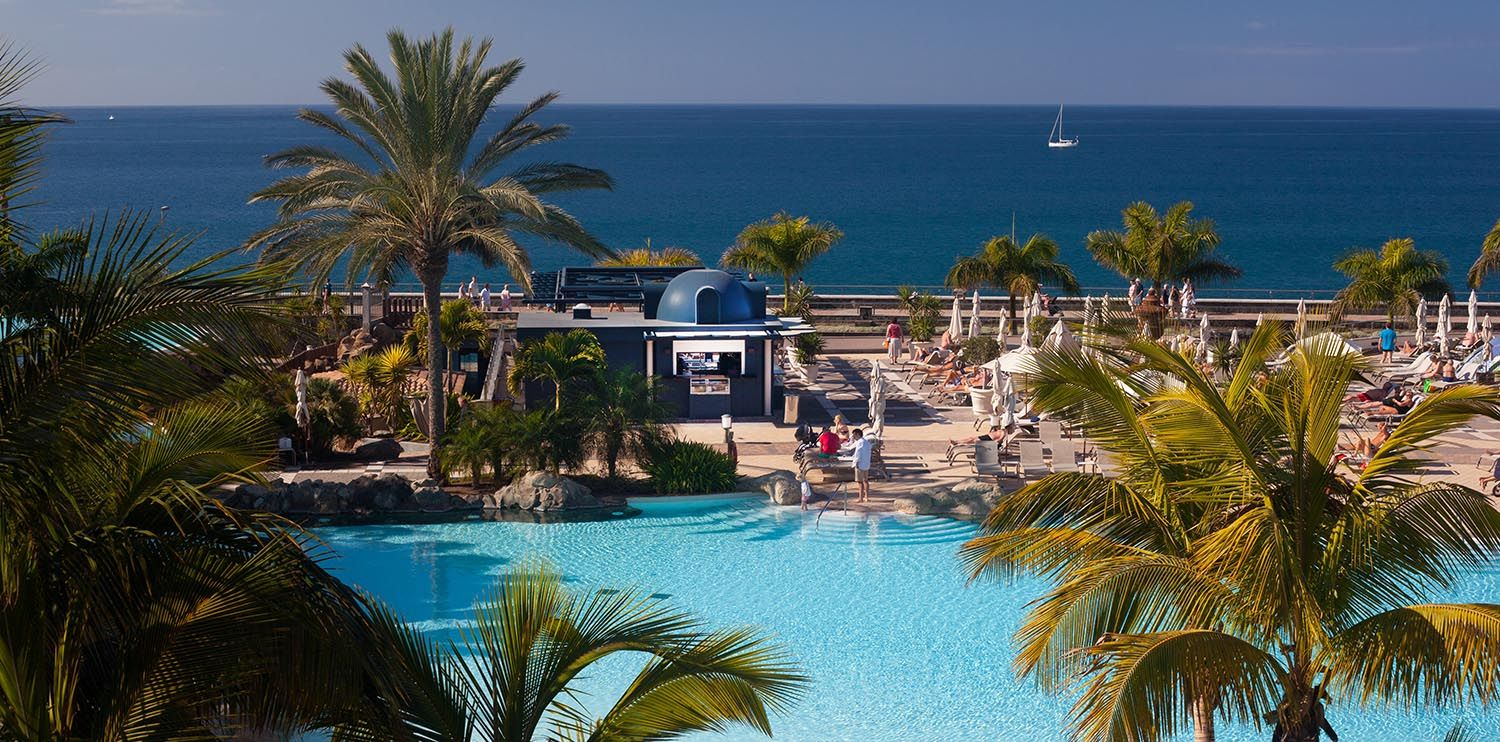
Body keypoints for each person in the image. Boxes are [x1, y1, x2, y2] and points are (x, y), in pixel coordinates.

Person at [849, 428, 873, 503]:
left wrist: (855, 463)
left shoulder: (859, 442)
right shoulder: (867, 442)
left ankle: (860, 498)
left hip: (860, 464)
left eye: (854, 435)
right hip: (866, 464)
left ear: (857, 434)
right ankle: (866, 497)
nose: (853, 437)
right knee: (866, 481)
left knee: (860, 482)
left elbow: (858, 454)